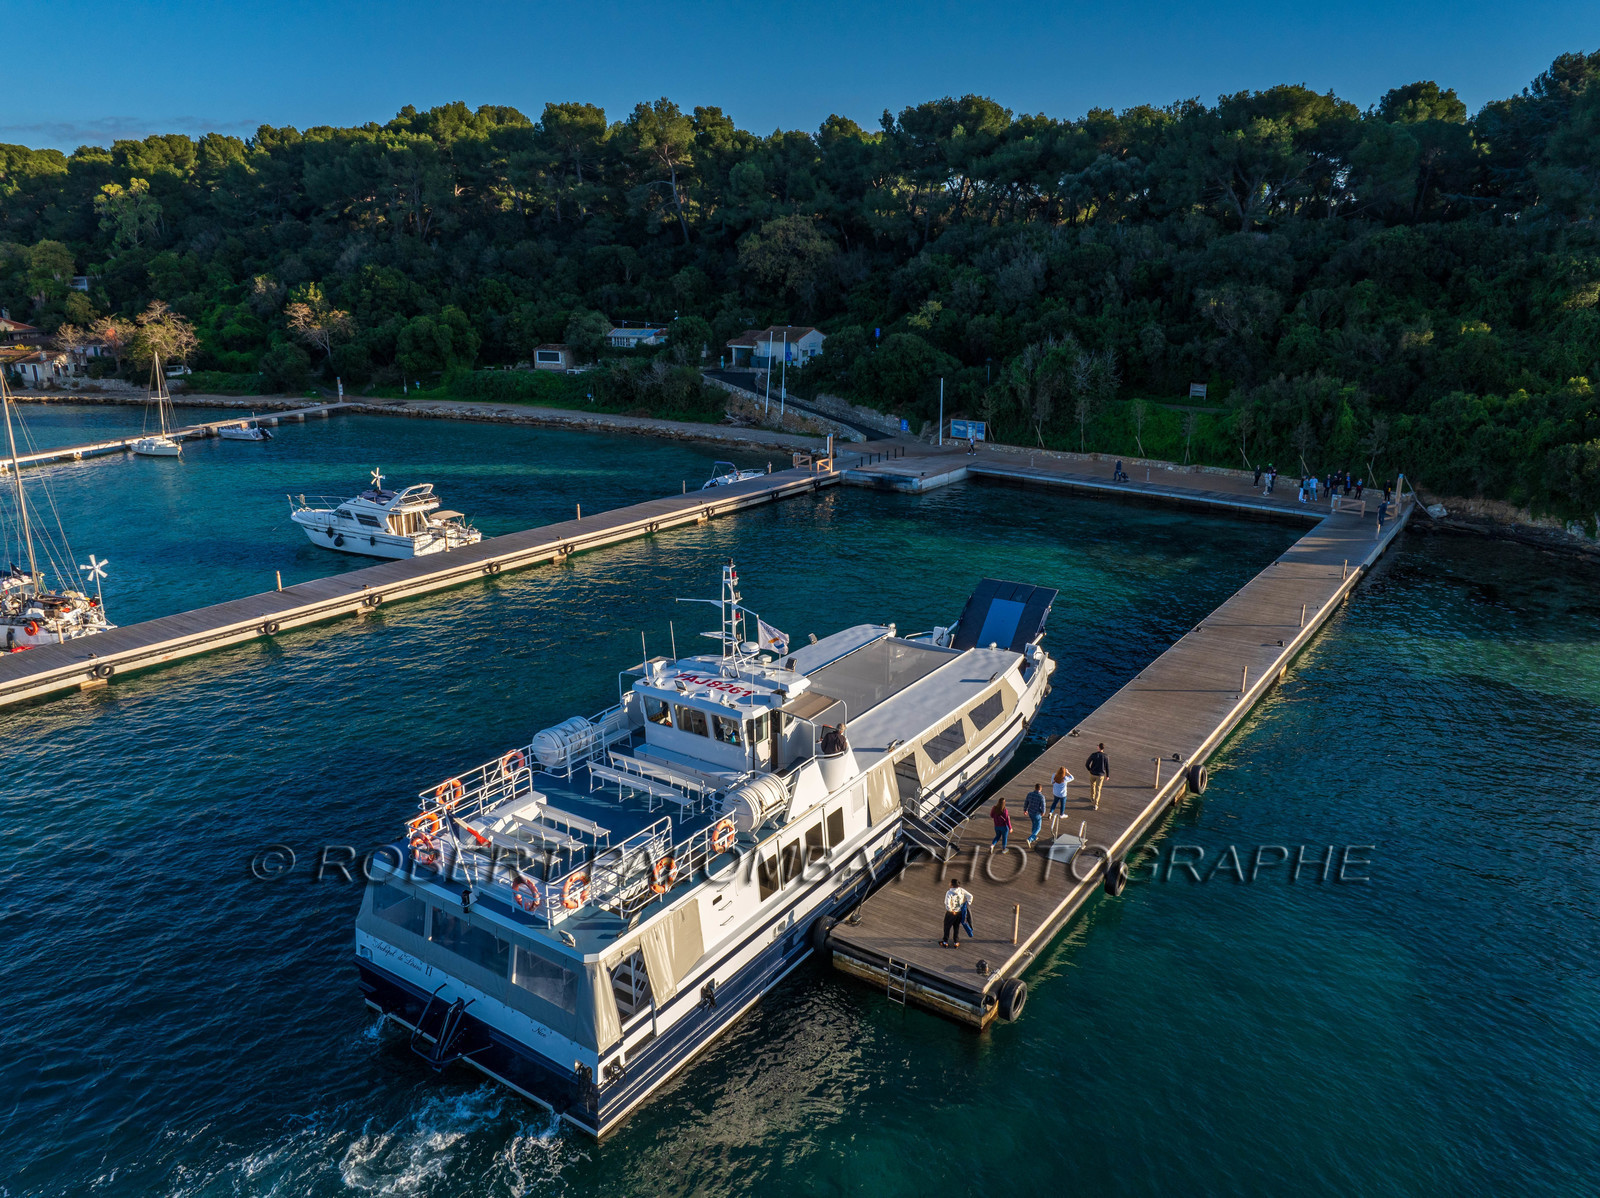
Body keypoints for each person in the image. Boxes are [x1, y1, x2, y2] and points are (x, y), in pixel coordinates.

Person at [941, 881, 973, 947]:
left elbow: (947, 903)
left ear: (952, 885)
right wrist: (967, 903)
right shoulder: (961, 890)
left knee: (947, 927)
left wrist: (950, 910)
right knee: (956, 927)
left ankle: (945, 941)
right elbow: (970, 896)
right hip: (959, 912)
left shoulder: (949, 892)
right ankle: (956, 942)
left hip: (951, 913)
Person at [1085, 742, 1110, 809]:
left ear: (1098, 747)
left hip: (1092, 773)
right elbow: (1107, 766)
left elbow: (1087, 764)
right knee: (1098, 789)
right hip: (1100, 775)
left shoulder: (1093, 755)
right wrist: (1107, 775)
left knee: (1092, 785)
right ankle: (1096, 804)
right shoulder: (1106, 756)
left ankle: (1092, 797)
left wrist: (1089, 770)